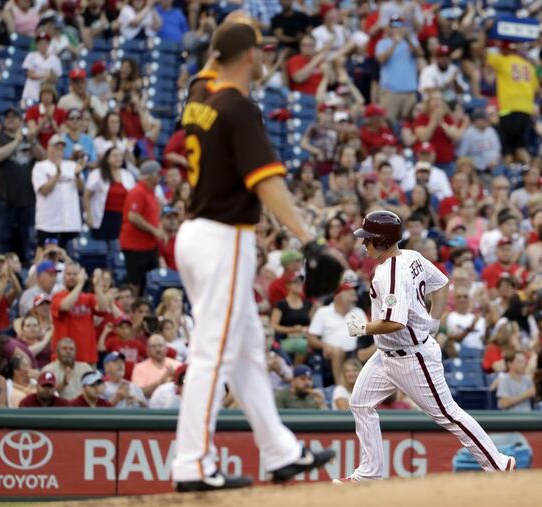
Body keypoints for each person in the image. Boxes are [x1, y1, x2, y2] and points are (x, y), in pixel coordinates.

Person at [171, 19, 336, 492]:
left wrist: (228, 30)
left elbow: (213, 60)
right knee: (212, 355)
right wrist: (309, 240)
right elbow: (268, 183)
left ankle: (281, 452)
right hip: (223, 239)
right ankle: (192, 465)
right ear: (249, 56)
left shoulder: (201, 91)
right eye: (260, 49)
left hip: (198, 233)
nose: (265, 56)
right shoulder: (238, 108)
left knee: (247, 353)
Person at [340, 210, 515, 484]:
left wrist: (364, 328)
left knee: (448, 414)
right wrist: (434, 320)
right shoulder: (411, 256)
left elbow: (394, 322)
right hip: (387, 354)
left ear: (381, 240)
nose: (364, 244)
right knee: (360, 403)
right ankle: (369, 473)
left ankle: (499, 464)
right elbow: (443, 284)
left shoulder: (389, 274)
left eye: (368, 239)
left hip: (411, 356)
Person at [0, 108, 44, 263]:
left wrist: (32, 140)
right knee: (3, 238)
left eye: (14, 117)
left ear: (21, 121)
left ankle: (26, 272)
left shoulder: (29, 139)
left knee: (27, 239)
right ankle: (1, 270)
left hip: (27, 199)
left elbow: (43, 157)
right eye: (7, 117)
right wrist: (17, 141)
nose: (10, 120)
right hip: (4, 199)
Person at [486, 41, 538, 164]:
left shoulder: (503, 60)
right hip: (526, 110)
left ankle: (507, 174)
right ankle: (530, 170)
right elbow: (535, 88)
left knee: (507, 148)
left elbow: (483, 54)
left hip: (508, 109)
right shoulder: (528, 66)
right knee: (521, 146)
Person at [84, 147, 137, 268]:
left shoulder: (127, 175)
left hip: (121, 219)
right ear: (107, 158)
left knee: (118, 251)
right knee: (102, 252)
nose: (118, 158)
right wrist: (89, 215)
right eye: (115, 155)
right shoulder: (97, 174)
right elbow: (87, 196)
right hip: (103, 218)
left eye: (120, 155)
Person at [31, 134, 84, 250]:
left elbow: (81, 189)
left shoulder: (72, 166)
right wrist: (58, 174)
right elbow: (44, 190)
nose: (59, 151)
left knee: (70, 262)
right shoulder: (40, 167)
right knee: (47, 261)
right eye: (56, 147)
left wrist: (77, 175)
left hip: (70, 223)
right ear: (49, 148)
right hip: (48, 224)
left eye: (61, 148)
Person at [307, 282, 366, 385]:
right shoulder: (323, 312)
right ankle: (341, 388)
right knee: (337, 351)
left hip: (356, 352)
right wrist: (324, 345)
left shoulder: (358, 312)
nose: (355, 298)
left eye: (354, 295)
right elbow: (311, 339)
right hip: (330, 354)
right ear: (339, 295)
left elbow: (366, 335)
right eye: (350, 294)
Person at [119, 161, 164, 294]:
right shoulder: (138, 191)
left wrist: (159, 228)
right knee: (135, 282)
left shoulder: (151, 192)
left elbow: (152, 215)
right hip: (135, 246)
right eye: (157, 174)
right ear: (149, 176)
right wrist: (154, 230)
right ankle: (134, 309)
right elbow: (133, 216)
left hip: (149, 245)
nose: (160, 177)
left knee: (150, 280)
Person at [50, 264, 108, 365]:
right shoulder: (57, 296)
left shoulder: (88, 298)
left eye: (75, 274)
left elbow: (103, 308)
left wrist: (97, 286)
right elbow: (65, 306)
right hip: (64, 359)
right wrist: (80, 284)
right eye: (69, 274)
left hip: (87, 357)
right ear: (64, 277)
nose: (72, 277)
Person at [375, 16, 422, 124]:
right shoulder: (383, 43)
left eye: (402, 25)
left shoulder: (411, 42)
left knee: (411, 123)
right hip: (390, 90)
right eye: (395, 25)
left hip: (410, 90)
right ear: (390, 28)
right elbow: (381, 59)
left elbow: (420, 54)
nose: (399, 28)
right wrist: (395, 43)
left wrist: (408, 39)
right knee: (387, 122)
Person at [270, 274, 312, 363]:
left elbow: (312, 323)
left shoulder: (307, 304)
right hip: (286, 339)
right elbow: (273, 325)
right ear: (288, 285)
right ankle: (295, 370)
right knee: (303, 345)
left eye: (300, 282)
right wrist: (292, 329)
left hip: (305, 336)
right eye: (295, 282)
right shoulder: (281, 304)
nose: (299, 285)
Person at [21, 32, 62, 102]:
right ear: (37, 45)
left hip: (48, 93)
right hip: (31, 92)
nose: (42, 45)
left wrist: (49, 76)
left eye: (44, 42)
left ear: (48, 44)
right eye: (40, 43)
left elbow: (56, 77)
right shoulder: (31, 56)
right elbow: (30, 75)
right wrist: (46, 75)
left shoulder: (55, 59)